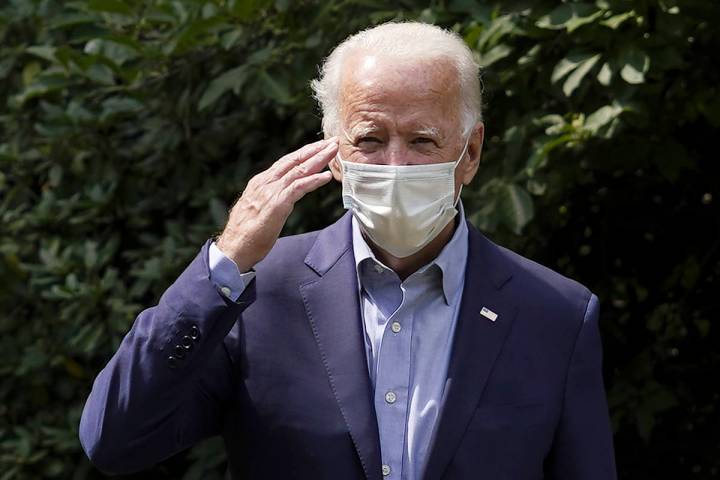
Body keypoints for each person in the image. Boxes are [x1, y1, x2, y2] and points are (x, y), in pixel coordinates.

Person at [79, 22, 617, 480]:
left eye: (423, 141)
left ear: (470, 151)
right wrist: (225, 263)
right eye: (370, 139)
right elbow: (116, 440)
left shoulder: (554, 313)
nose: (396, 166)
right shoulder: (256, 292)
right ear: (334, 152)